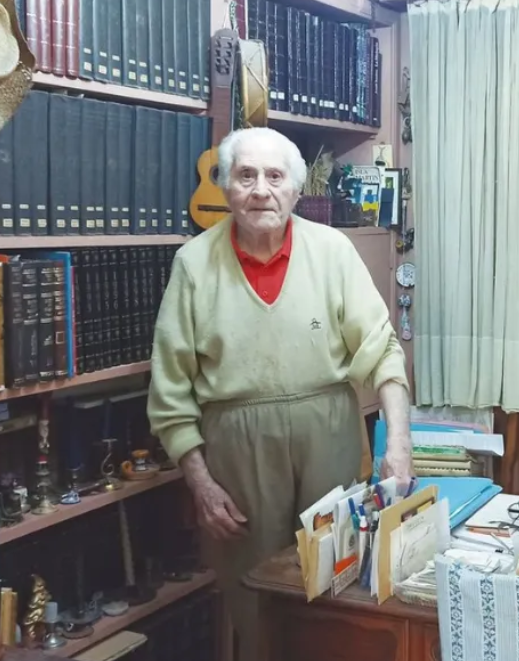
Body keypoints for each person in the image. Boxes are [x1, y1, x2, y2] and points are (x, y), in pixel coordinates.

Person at [147, 127, 413, 653]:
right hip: (237, 447)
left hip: (328, 433)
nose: (261, 190)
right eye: (246, 176)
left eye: (274, 176)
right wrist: (201, 484)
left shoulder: (332, 250)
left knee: (337, 583)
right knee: (255, 596)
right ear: (225, 186)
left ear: (295, 188)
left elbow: (383, 351)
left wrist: (399, 445)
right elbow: (170, 391)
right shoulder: (194, 264)